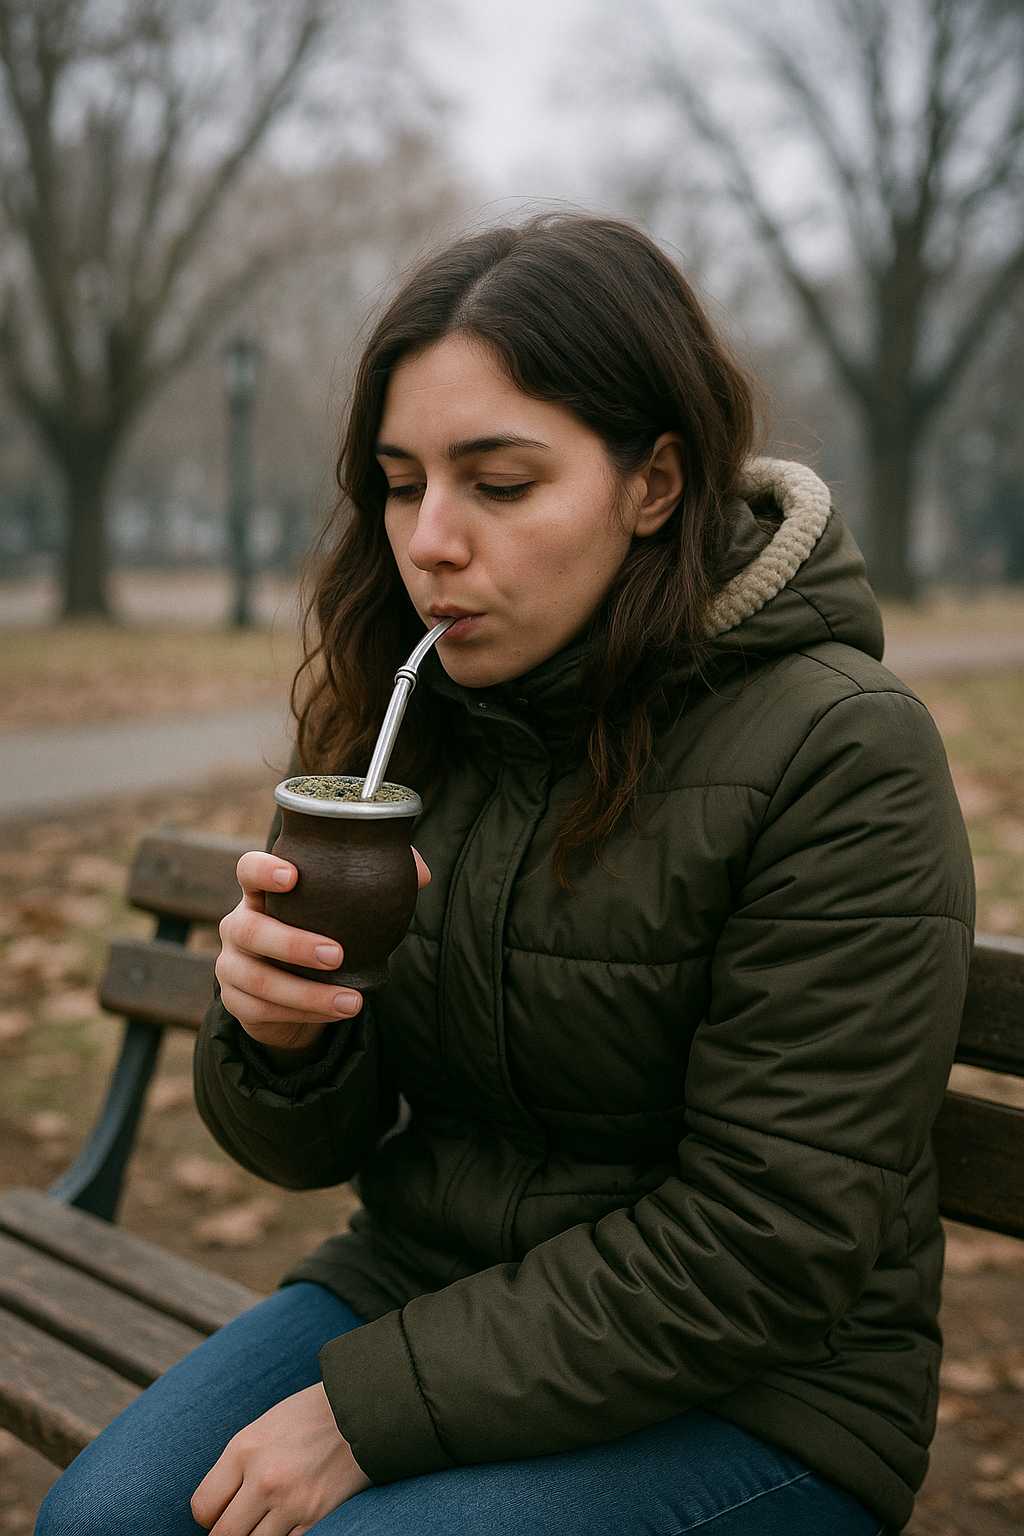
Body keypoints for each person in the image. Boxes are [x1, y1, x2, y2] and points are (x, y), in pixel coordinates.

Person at [36, 210, 975, 1536]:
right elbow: (306, 1153)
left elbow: (766, 1242)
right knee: (100, 1527)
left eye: (501, 482)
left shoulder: (840, 750)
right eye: (403, 480)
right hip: (423, 1282)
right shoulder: (413, 715)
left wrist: (362, 1413)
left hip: (760, 1392)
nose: (429, 541)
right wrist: (279, 1038)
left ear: (653, 485)